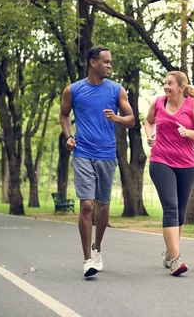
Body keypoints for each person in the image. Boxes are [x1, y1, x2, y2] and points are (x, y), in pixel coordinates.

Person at [59, 46, 135, 278]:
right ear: (93, 63)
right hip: (82, 152)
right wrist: (68, 136)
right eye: (106, 62)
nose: (110, 66)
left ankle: (97, 247)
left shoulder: (116, 90)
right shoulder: (73, 90)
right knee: (87, 205)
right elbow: (64, 115)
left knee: (103, 205)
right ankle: (87, 260)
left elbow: (131, 119)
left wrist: (117, 118)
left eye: (110, 62)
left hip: (107, 154)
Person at [144, 71, 194, 276]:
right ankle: (175, 259)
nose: (166, 86)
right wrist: (150, 136)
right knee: (171, 209)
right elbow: (148, 121)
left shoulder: (193, 105)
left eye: (170, 83)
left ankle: (169, 253)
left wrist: (188, 132)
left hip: (187, 165)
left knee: (181, 212)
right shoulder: (157, 103)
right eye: (165, 83)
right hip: (160, 160)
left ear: (181, 87)